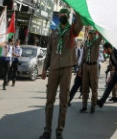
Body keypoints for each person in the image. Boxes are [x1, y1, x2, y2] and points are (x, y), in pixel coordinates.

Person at [39, 8, 83, 139]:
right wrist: (44, 69)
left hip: (66, 68)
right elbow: (49, 52)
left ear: (68, 16)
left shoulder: (72, 31)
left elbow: (79, 25)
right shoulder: (54, 32)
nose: (62, 16)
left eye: (64, 14)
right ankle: (47, 130)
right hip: (53, 68)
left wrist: (77, 11)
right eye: (60, 14)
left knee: (64, 101)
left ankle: (59, 131)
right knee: (49, 100)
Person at [80, 27, 101, 113]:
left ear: (94, 35)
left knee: (94, 87)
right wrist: (80, 68)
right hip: (85, 66)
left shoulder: (96, 43)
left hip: (93, 66)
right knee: (84, 87)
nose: (91, 35)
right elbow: (83, 56)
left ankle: (93, 106)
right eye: (90, 34)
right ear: (88, 35)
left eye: (92, 34)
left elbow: (101, 37)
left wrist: (99, 27)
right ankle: (84, 106)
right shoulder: (85, 43)